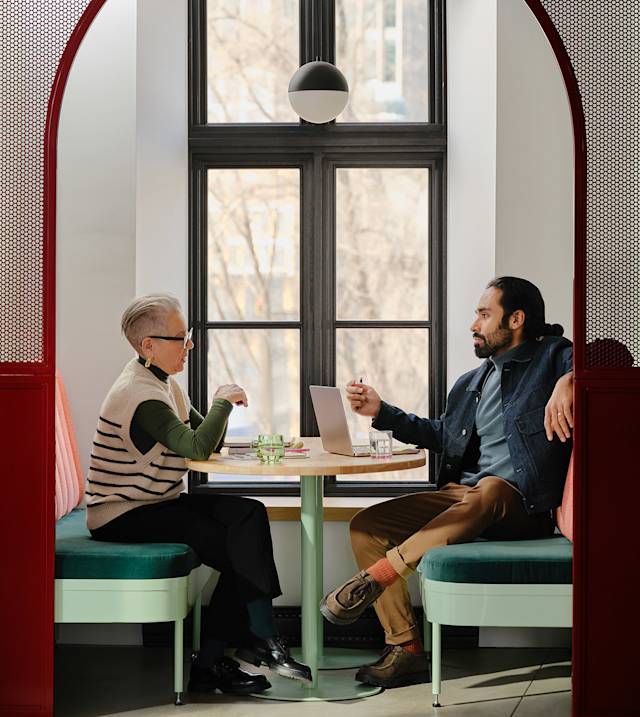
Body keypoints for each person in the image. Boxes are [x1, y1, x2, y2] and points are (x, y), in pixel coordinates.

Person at [320, 276, 574, 689]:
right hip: (465, 496)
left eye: (484, 314)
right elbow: (441, 435)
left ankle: (377, 577)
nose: (474, 324)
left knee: (491, 488)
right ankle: (406, 650)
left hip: (523, 504)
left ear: (516, 319)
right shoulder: (472, 383)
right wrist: (382, 410)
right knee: (366, 526)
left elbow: (607, 362)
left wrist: (570, 379)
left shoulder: (553, 357)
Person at [86, 294, 311, 696]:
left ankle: (234, 654)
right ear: (148, 346)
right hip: (121, 513)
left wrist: (221, 411)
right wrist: (222, 401)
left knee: (248, 515)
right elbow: (196, 448)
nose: (189, 345)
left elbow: (205, 437)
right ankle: (257, 643)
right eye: (180, 338)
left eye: (187, 336)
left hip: (156, 500)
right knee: (237, 551)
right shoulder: (140, 396)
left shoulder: (162, 382)